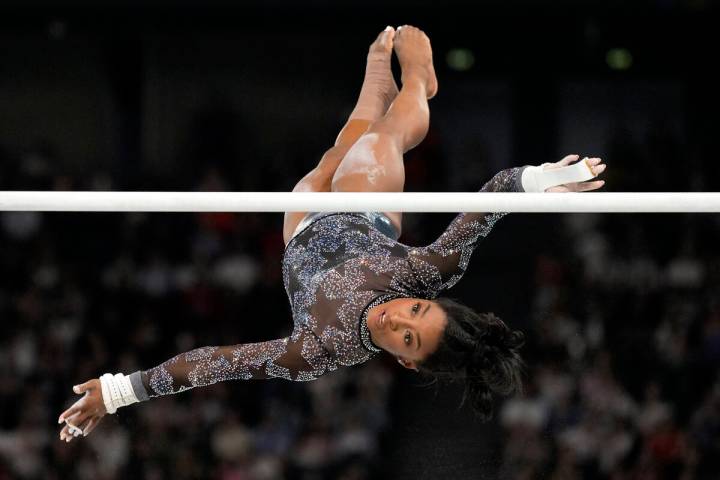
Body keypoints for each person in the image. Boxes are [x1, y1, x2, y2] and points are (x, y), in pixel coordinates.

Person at [58, 25, 606, 442]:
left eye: (407, 337)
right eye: (416, 311)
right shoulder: (428, 271)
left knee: (333, 156)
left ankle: (374, 86)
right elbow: (491, 200)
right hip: (368, 210)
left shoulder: (322, 351)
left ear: (405, 360)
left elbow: (217, 362)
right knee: (375, 148)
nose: (399, 317)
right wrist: (539, 178)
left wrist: (120, 391)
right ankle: (418, 80)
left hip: (300, 231)